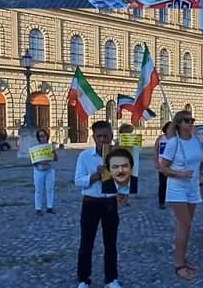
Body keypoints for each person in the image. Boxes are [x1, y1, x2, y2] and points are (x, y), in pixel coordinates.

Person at [161, 111, 203, 282]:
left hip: (192, 188)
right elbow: (163, 167)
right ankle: (179, 264)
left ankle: (183, 258)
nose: (190, 123)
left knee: (187, 225)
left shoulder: (195, 141)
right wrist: (180, 173)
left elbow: (200, 164)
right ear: (178, 124)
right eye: (186, 120)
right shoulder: (173, 143)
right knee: (184, 224)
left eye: (191, 120)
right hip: (177, 189)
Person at [74, 120, 123, 288]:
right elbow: (78, 181)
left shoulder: (120, 156)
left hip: (110, 203)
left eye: (106, 136)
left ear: (111, 136)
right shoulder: (85, 157)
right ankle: (83, 279)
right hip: (90, 203)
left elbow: (124, 183)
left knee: (110, 243)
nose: (103, 139)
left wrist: (123, 189)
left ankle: (111, 279)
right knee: (86, 243)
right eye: (99, 136)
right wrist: (96, 175)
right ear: (93, 137)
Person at [33, 128, 58, 216]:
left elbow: (56, 159)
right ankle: (38, 208)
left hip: (50, 170)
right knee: (38, 190)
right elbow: (32, 161)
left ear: (47, 136)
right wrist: (39, 162)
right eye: (40, 136)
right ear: (38, 138)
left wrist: (54, 152)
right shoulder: (35, 148)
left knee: (50, 189)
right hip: (38, 170)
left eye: (44, 136)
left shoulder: (50, 146)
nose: (42, 138)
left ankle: (49, 207)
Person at [155, 121, 175, 209]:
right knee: (163, 184)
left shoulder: (176, 139)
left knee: (173, 184)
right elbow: (156, 151)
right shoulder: (160, 138)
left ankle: (172, 200)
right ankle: (161, 202)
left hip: (173, 165)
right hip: (162, 164)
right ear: (166, 129)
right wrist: (156, 162)